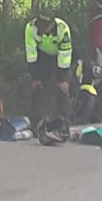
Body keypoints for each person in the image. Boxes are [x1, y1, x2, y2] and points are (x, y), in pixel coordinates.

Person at [24, 9, 72, 138]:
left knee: (62, 89)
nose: (43, 29)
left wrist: (62, 78)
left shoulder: (62, 29)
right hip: (42, 56)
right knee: (37, 88)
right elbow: (31, 53)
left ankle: (64, 123)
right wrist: (35, 77)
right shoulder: (30, 27)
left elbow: (65, 55)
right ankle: (35, 122)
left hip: (61, 57)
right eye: (40, 26)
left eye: (45, 26)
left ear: (52, 23)